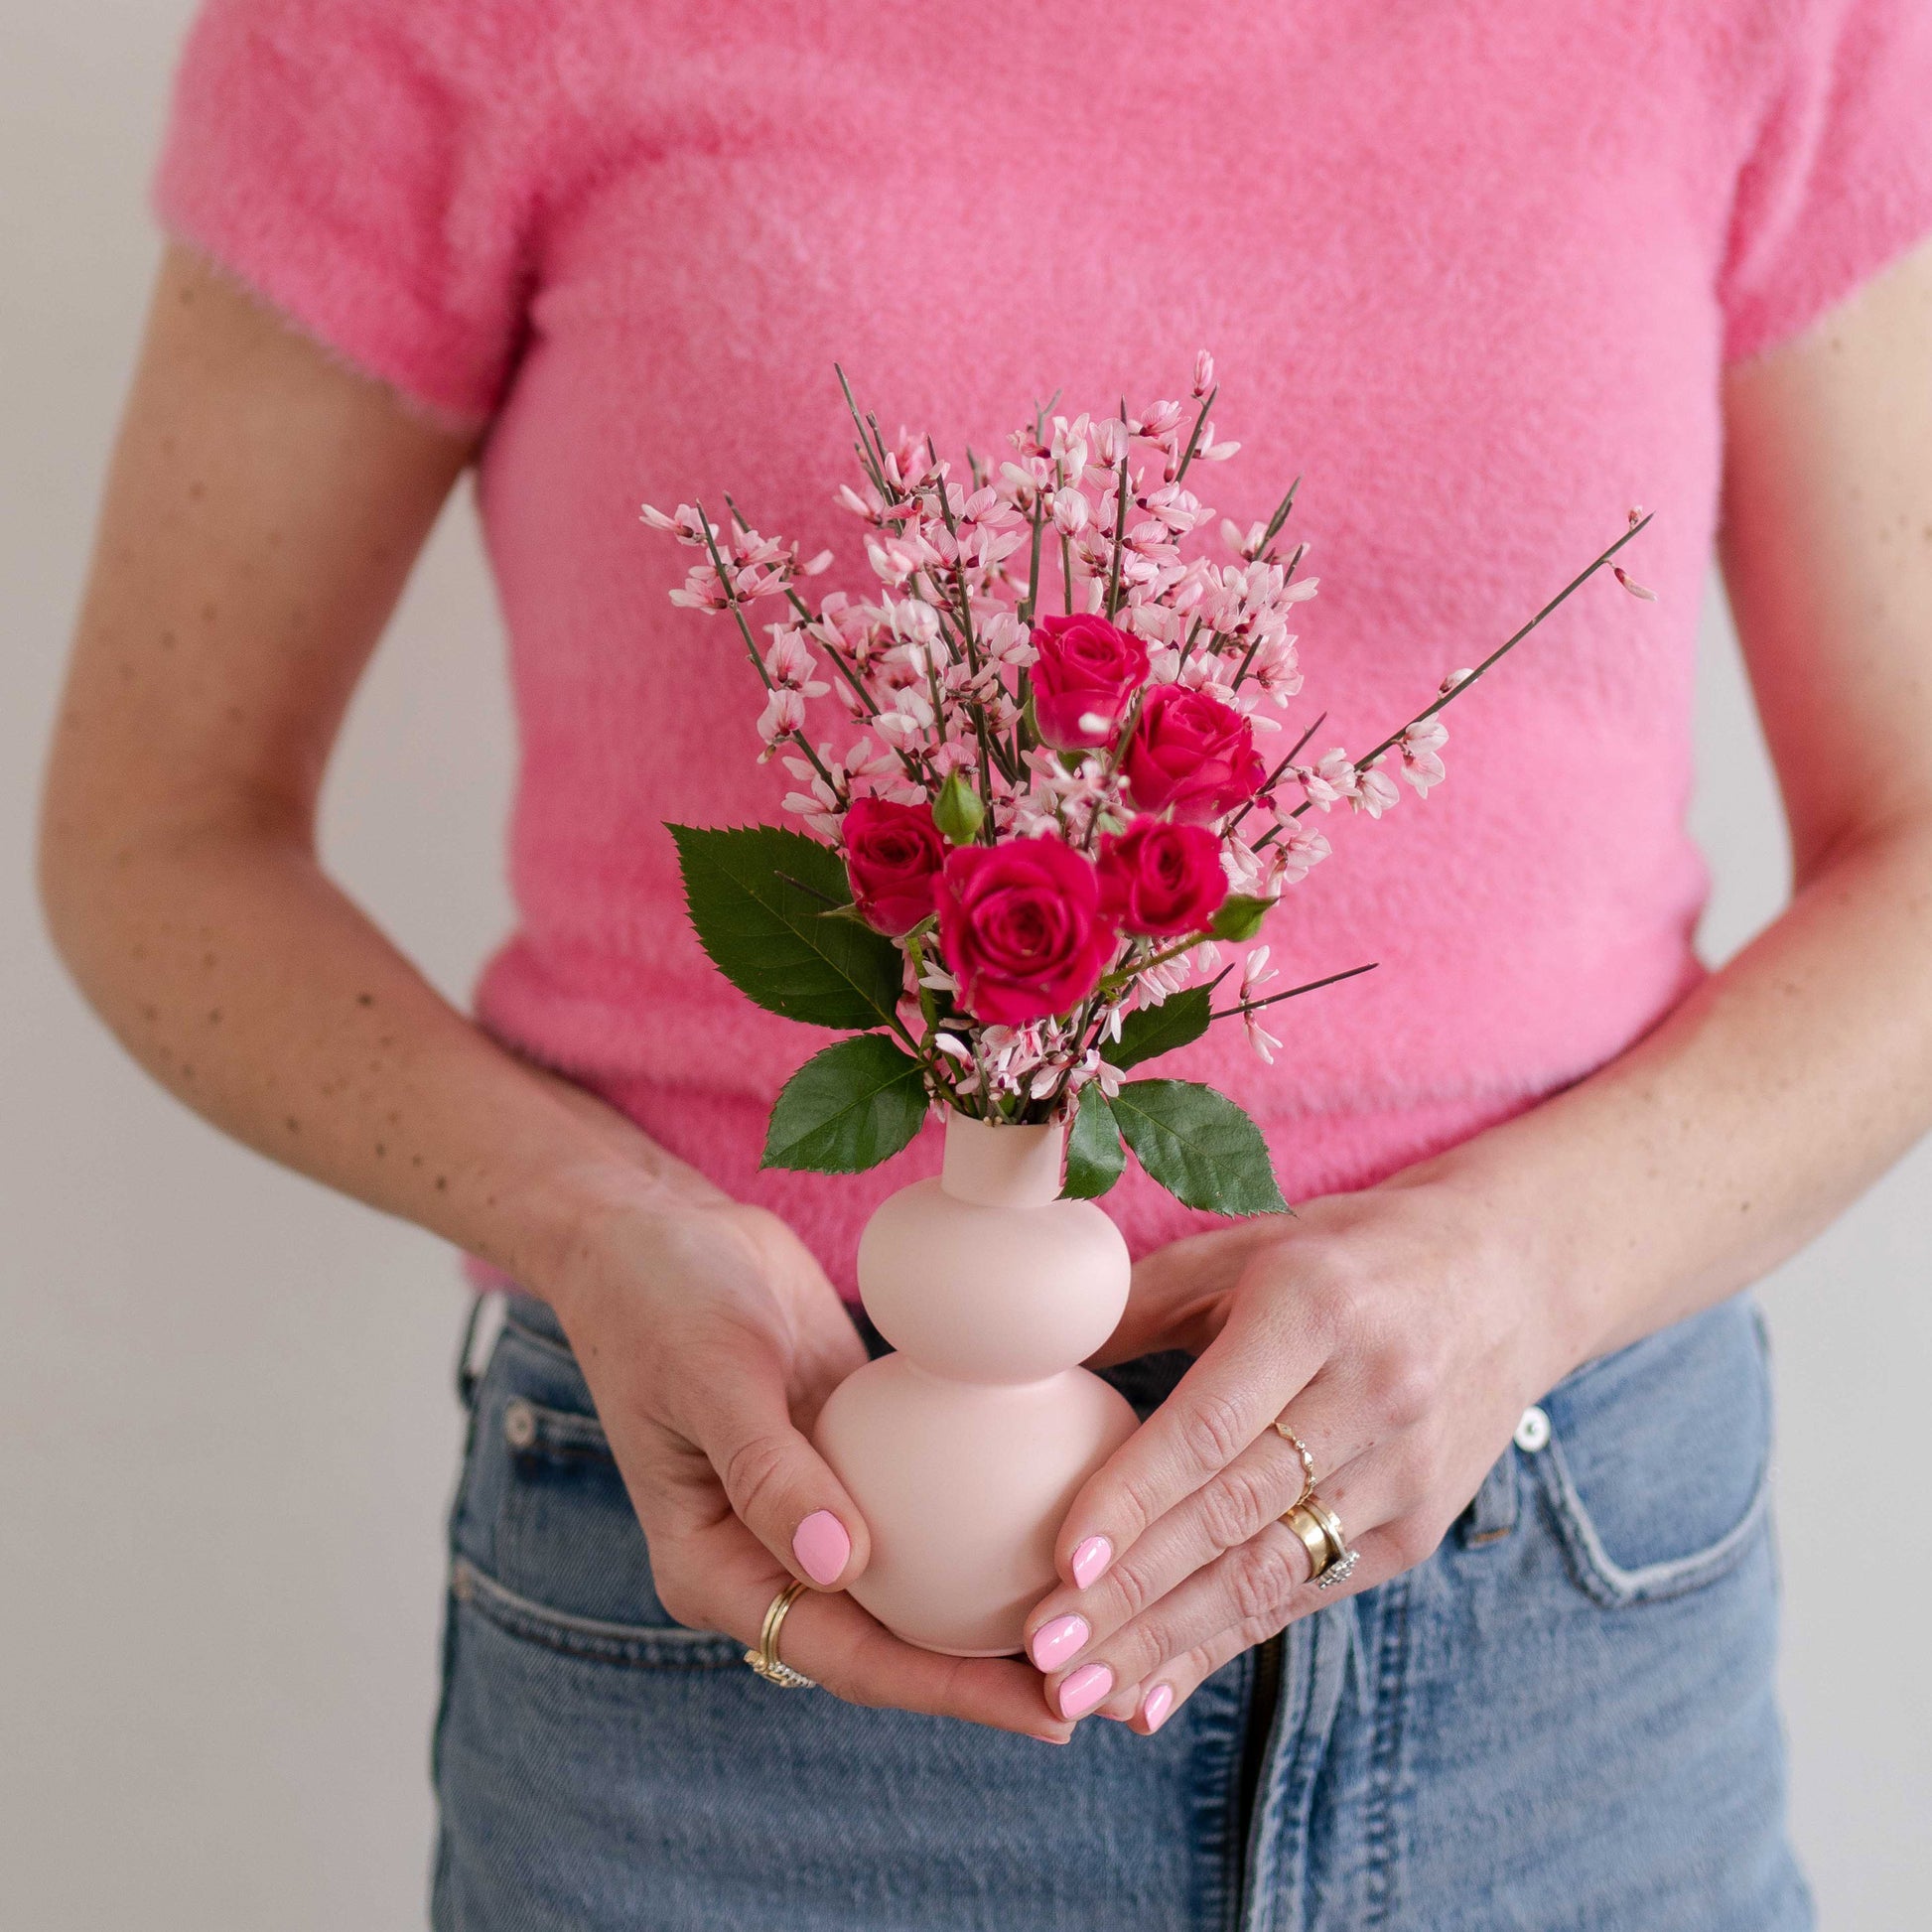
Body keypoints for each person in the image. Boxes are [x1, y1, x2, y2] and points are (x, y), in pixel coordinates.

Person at [37, 1, 1932, 1925]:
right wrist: (590, 1216)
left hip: (1560, 1629)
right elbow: (160, 826)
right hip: (760, 1603)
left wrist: (1523, 1265)